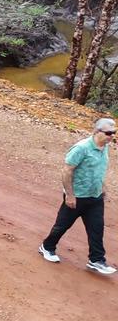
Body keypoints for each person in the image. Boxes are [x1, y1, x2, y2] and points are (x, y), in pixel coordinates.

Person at [39, 117, 118, 274]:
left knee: (96, 229)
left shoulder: (105, 147)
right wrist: (70, 195)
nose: (112, 136)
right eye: (109, 133)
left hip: (95, 197)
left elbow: (97, 170)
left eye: (114, 133)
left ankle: (96, 260)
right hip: (77, 196)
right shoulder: (81, 148)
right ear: (97, 131)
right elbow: (67, 170)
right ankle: (47, 247)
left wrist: (103, 188)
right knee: (62, 226)